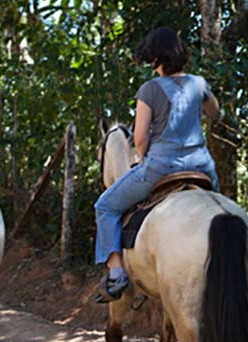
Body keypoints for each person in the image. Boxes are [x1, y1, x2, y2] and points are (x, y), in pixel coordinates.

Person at [94, 27, 220, 302]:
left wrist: (145, 153)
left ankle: (116, 274)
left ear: (155, 59)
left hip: (161, 167)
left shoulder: (149, 89)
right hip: (202, 166)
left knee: (105, 206)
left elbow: (139, 139)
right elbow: (215, 113)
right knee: (218, 207)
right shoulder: (199, 84)